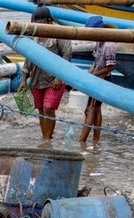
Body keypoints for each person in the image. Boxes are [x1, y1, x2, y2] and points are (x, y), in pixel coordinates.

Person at [18, 7, 72, 141]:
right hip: (37, 78)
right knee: (41, 110)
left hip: (53, 79)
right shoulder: (34, 34)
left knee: (48, 108)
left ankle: (48, 139)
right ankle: (45, 138)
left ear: (48, 21)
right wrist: (24, 79)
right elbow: (28, 56)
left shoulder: (58, 32)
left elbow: (67, 54)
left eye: (42, 22)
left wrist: (59, 77)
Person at [80, 17, 117, 146]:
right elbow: (96, 62)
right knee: (96, 109)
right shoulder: (99, 42)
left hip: (102, 79)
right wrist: (89, 73)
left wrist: (95, 74)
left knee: (90, 110)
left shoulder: (109, 45)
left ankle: (82, 141)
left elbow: (111, 66)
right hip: (96, 77)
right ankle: (96, 139)